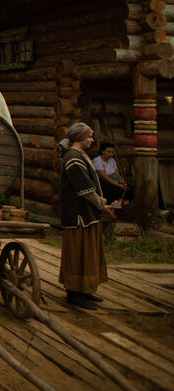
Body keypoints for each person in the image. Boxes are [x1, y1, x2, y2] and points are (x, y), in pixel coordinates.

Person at [57, 122, 114, 310]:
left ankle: (84, 289)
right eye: (89, 136)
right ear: (79, 138)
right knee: (78, 252)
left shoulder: (81, 155)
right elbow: (84, 189)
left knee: (87, 252)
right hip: (78, 214)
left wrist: (100, 204)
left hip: (86, 213)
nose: (92, 140)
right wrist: (101, 204)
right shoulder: (73, 158)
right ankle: (74, 293)